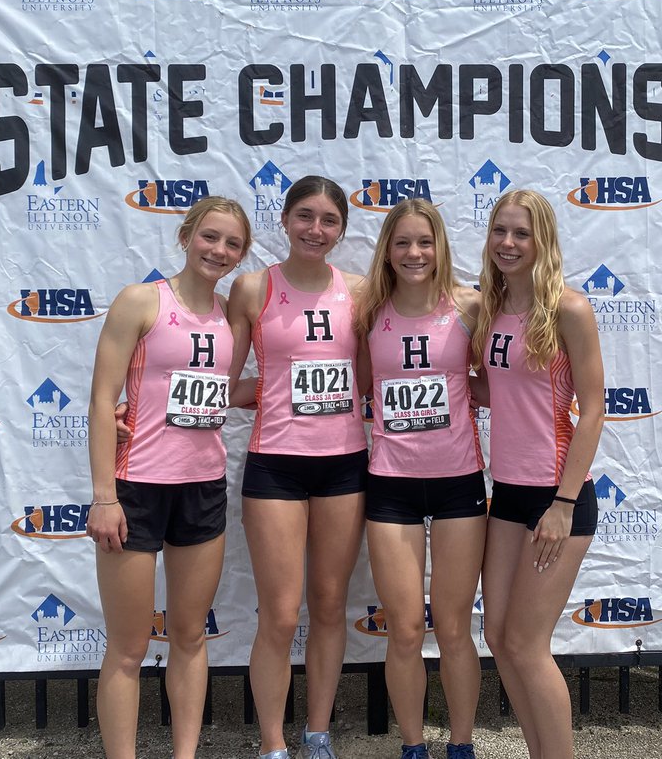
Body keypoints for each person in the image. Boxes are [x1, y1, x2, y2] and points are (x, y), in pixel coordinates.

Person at [87, 196, 255, 759]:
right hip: (136, 488)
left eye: (233, 243)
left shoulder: (231, 314)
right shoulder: (141, 300)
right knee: (129, 648)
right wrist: (103, 496)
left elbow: (225, 393)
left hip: (202, 487)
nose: (220, 250)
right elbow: (100, 401)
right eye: (210, 237)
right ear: (186, 237)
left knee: (189, 637)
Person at [226, 176, 367, 759]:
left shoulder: (359, 290)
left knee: (331, 605)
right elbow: (224, 381)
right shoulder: (253, 287)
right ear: (283, 220)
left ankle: (317, 733)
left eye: (329, 220)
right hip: (276, 467)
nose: (316, 229)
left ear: (341, 230)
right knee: (281, 615)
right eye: (305, 216)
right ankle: (272, 744)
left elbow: (372, 375)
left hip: (344, 466)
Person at [471, 190, 605, 759]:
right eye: (500, 230)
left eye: (521, 233)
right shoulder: (490, 308)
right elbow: (489, 390)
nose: (508, 243)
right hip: (506, 493)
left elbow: (595, 407)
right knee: (500, 638)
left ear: (542, 240)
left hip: (557, 497)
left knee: (527, 643)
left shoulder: (568, 308)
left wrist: (563, 502)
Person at [354, 200, 486, 759]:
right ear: (388, 248)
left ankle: (460, 744)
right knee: (405, 628)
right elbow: (353, 389)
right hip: (390, 483)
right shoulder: (367, 313)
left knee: (455, 628)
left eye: (425, 243)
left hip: (459, 481)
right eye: (403, 242)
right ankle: (413, 747)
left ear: (441, 248)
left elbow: (499, 379)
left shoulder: (471, 306)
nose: (414, 254)